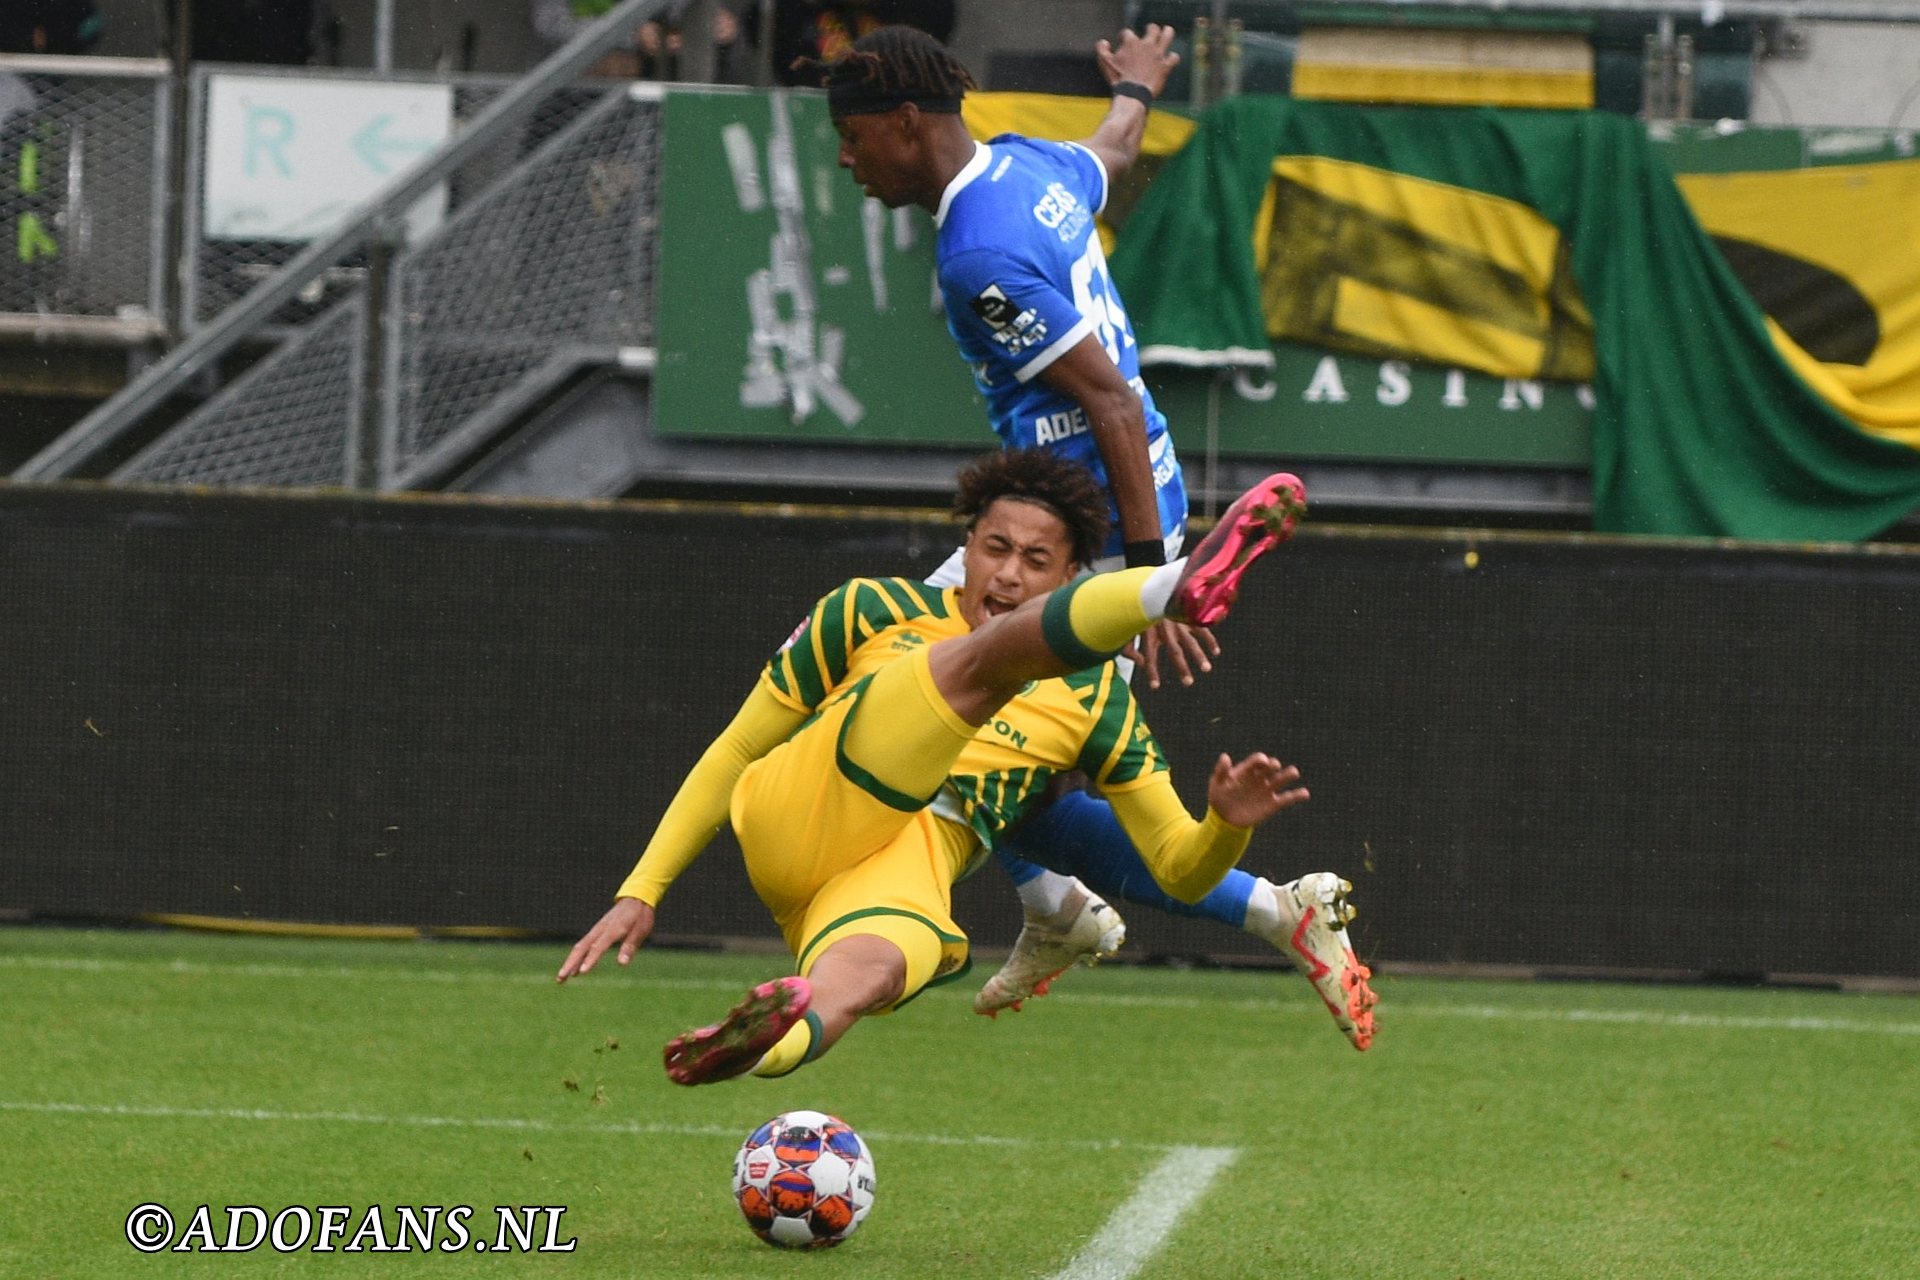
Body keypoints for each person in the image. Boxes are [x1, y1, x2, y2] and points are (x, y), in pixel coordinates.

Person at [558, 458, 1374, 1084]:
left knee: (869, 974)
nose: (1010, 575)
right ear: (965, 551)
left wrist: (1225, 826)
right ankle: (1172, 587)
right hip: (809, 798)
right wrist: (643, 889)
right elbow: (736, 748)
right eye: (994, 549)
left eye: (1036, 560)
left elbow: (1179, 871)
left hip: (908, 863)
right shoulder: (873, 610)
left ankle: (761, 1050)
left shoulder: (1096, 702)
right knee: (976, 670)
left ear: (1067, 581)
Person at [810, 23, 1305, 1018]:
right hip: (1101, 501)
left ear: (906, 124)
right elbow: (1113, 151)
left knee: (955, 723)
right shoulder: (1028, 168)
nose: (847, 157)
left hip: (1078, 527)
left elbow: (1112, 400)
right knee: (970, 725)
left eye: (855, 135)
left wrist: (1153, 582)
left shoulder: (977, 253)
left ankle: (1269, 909)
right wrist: (1133, 90)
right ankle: (1057, 904)